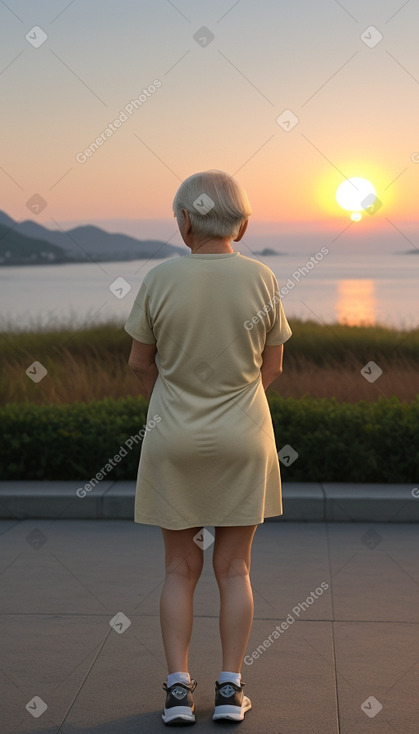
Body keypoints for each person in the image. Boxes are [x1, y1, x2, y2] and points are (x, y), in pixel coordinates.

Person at [125, 169, 292, 725]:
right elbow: (273, 367)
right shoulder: (263, 278)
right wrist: (236, 406)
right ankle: (229, 690)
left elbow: (139, 364)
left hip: (173, 440)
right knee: (234, 568)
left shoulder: (158, 278)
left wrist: (174, 407)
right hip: (244, 440)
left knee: (179, 569)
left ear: (185, 221)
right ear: (242, 225)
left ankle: (177, 692)